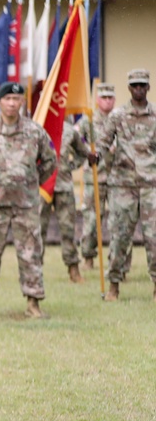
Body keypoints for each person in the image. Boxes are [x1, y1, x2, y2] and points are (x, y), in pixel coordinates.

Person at [0, 82, 56, 317]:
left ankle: (33, 303)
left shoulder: (35, 131)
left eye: (16, 99)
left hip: (25, 204)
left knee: (30, 252)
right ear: (0, 102)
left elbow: (50, 161)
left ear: (22, 102)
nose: (12, 103)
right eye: (8, 99)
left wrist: (30, 183)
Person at [95, 69, 156, 302]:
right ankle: (114, 286)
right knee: (120, 236)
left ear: (148, 87)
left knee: (154, 238)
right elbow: (103, 142)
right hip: (123, 185)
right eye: (134, 85)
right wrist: (96, 155)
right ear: (129, 88)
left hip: (151, 185)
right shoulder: (117, 116)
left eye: (142, 85)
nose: (139, 89)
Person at [74, 84, 116, 269]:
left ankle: (118, 263)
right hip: (94, 178)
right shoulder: (87, 121)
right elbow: (75, 142)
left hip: (118, 179)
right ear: (97, 100)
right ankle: (88, 257)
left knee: (118, 222)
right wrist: (84, 157)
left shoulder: (120, 119)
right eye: (104, 97)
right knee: (91, 220)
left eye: (110, 97)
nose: (107, 101)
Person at [40, 121, 83, 282]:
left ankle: (73, 270)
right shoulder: (38, 124)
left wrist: (72, 165)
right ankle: (35, 273)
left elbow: (82, 150)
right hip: (42, 187)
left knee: (68, 230)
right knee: (37, 231)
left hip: (63, 185)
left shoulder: (70, 130)